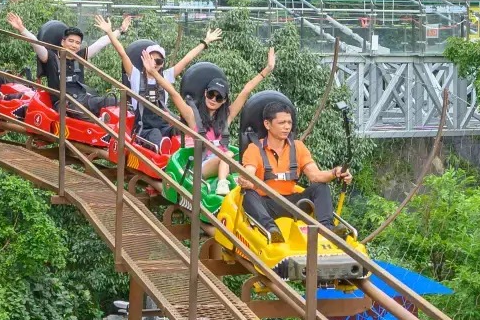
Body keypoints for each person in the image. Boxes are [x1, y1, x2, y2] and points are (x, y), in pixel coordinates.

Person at [94, 14, 222, 150]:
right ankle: (161, 149)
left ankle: (192, 152)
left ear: (162, 63)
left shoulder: (166, 77)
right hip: (143, 126)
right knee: (155, 134)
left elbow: (186, 59)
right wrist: (109, 32)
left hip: (163, 125)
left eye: (159, 61)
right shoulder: (136, 76)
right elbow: (122, 53)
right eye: (151, 59)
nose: (154, 64)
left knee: (181, 129)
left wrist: (205, 42)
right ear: (144, 59)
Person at [239, 100, 352, 242]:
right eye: (281, 123)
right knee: (248, 195)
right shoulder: (255, 149)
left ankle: (327, 229)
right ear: (267, 124)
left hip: (293, 204)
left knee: (320, 187)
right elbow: (249, 171)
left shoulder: (298, 147)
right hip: (267, 204)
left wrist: (335, 172)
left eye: (289, 123)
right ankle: (271, 230)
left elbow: (315, 176)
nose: (287, 127)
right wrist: (246, 180)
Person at [186, 48, 276, 196]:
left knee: (242, 157)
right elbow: (174, 94)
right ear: (205, 93)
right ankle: (222, 184)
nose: (213, 99)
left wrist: (267, 69)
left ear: (224, 101)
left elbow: (246, 91)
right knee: (227, 155)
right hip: (203, 165)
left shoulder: (225, 117)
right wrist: (154, 74)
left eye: (218, 97)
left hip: (223, 160)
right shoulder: (193, 116)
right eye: (211, 94)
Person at [6, 11, 131, 116]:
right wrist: (22, 29)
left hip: (83, 99)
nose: (74, 45)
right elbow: (36, 44)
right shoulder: (51, 58)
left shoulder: (79, 57)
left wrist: (120, 30)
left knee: (115, 101)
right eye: (71, 41)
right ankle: (101, 124)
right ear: (62, 42)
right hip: (64, 104)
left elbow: (100, 43)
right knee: (84, 113)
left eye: (77, 43)